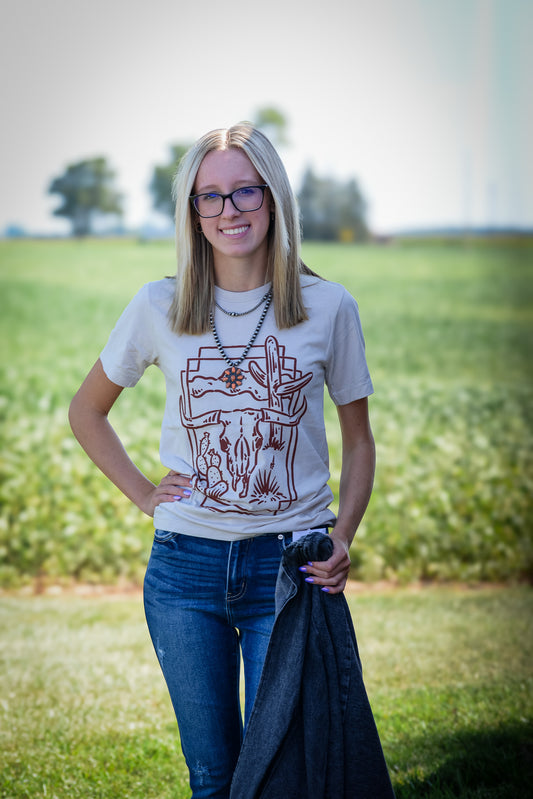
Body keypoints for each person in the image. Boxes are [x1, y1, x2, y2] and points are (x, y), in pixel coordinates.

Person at [69, 122, 376, 799]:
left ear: (273, 198)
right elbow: (85, 411)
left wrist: (344, 536)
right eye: (208, 197)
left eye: (244, 192)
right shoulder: (160, 305)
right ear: (191, 211)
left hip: (286, 568)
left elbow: (358, 440)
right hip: (184, 569)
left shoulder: (327, 306)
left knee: (276, 774)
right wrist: (146, 494)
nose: (228, 210)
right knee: (211, 775)